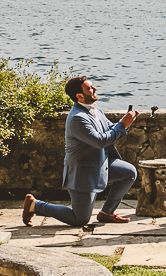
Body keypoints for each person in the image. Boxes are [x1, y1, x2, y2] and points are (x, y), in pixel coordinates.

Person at [23, 75, 140, 227]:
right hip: (83, 174)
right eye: (90, 88)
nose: (94, 89)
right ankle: (35, 205)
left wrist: (124, 122)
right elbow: (100, 141)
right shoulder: (77, 118)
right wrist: (122, 126)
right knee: (80, 219)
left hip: (99, 164)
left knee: (129, 172)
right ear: (79, 96)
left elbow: (109, 130)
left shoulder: (95, 109)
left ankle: (107, 213)